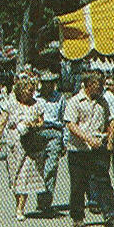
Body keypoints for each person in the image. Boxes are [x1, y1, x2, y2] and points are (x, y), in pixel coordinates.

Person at [64, 70, 114, 227]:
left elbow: (111, 120)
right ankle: (77, 215)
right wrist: (88, 139)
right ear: (88, 85)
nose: (101, 88)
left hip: (98, 146)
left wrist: (109, 140)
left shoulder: (103, 101)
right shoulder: (75, 101)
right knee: (78, 184)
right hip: (79, 148)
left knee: (103, 181)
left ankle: (111, 215)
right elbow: (71, 125)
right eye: (98, 85)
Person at [0, 75, 47, 221]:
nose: (30, 93)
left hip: (31, 144)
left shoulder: (38, 104)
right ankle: (18, 203)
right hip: (14, 144)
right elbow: (1, 122)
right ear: (20, 90)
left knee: (25, 175)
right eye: (28, 90)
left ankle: (20, 208)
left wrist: (33, 125)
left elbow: (41, 122)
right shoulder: (10, 104)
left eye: (32, 91)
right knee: (15, 175)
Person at [34, 71, 66, 216]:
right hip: (39, 133)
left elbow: (65, 120)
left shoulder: (60, 98)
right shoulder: (36, 98)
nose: (48, 86)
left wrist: (64, 142)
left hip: (54, 132)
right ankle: (39, 198)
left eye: (50, 83)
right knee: (38, 167)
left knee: (51, 167)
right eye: (45, 83)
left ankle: (46, 201)